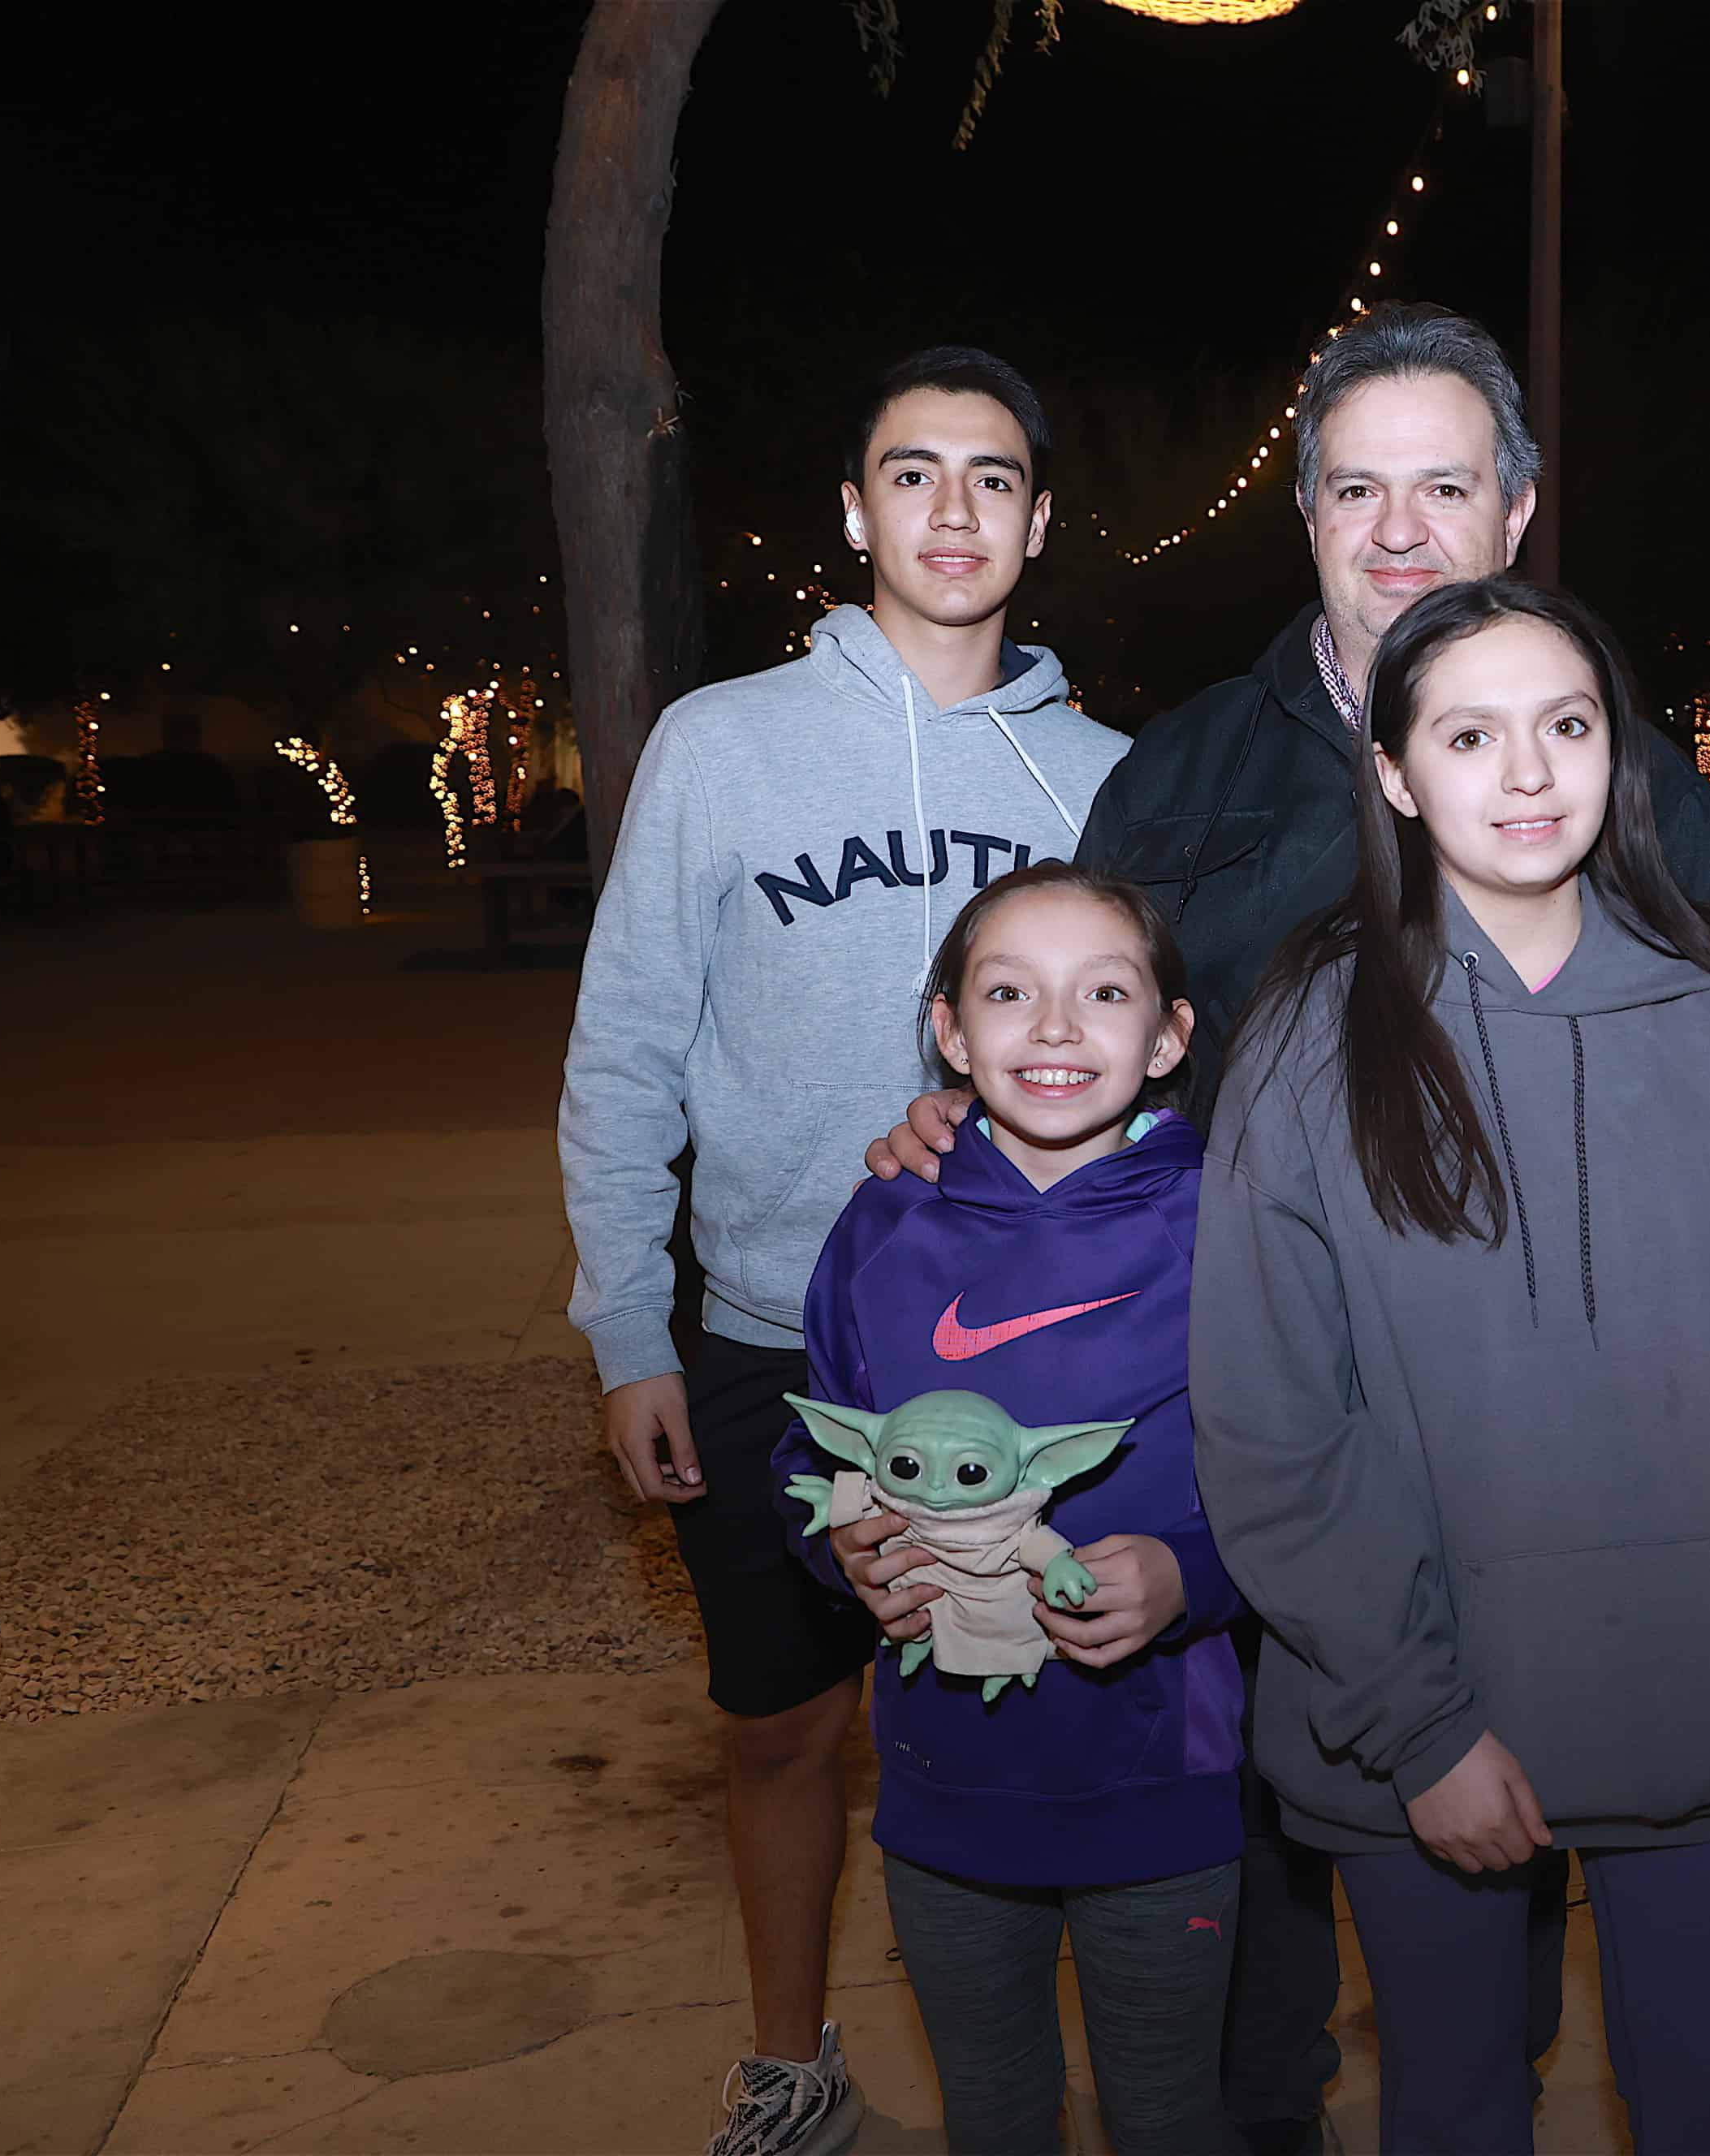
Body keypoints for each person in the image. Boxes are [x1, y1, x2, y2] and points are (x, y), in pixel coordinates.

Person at [870, 304, 1710, 2153]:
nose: (1404, 525)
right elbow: (1071, 1012)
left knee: (1490, 1973)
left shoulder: (1634, 782)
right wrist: (965, 1119)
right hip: (1227, 1453)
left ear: (1518, 505)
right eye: (1361, 486)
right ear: (1309, 515)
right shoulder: (1180, 775)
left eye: (1446, 482)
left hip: (1541, 1480)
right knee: (1252, 1964)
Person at [1191, 578, 1710, 2155]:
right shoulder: (1307, 1040)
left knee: (1704, 2096)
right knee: (1455, 2097)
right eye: (1470, 733)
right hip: (1421, 1725)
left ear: (1617, 756)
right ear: (1396, 773)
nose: (1528, 772)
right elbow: (1271, 1426)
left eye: (1566, 726)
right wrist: (1418, 1725)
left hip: (1700, 1700)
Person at [559, 346, 1129, 2156]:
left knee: (1037, 1729)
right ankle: (790, 2063)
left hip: (1022, 1352)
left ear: (1038, 521)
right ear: (854, 508)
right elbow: (627, 1044)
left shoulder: (1110, 782)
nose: (951, 511)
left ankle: (1094, 2080)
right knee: (787, 1729)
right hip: (761, 1341)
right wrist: (624, 1328)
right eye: (913, 473)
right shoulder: (721, 747)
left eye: (990, 478)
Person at [775, 860, 1244, 2155]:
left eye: (1103, 992)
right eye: (1006, 991)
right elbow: (811, 1450)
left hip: (1167, 1781)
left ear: (1168, 1036)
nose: (1052, 1028)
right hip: (944, 1785)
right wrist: (840, 1552)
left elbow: (1325, 1477)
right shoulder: (885, 1224)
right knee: (991, 2107)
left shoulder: (1236, 1221)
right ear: (948, 1028)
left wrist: (1194, 1579)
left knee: (1167, 2112)